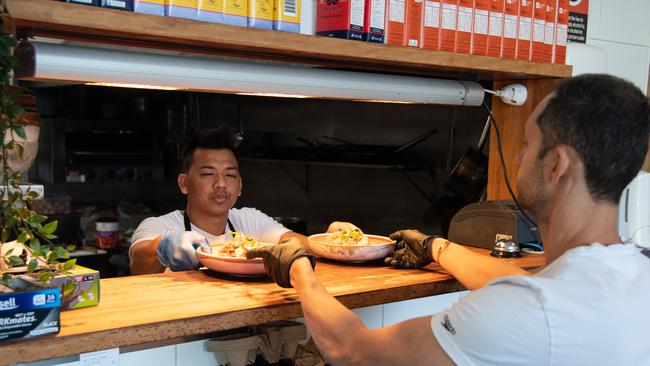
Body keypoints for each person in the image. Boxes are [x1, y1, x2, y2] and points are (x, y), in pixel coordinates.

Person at [247, 74, 650, 365]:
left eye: (527, 143)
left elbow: (354, 351)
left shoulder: (527, 313)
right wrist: (436, 247)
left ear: (557, 165)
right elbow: (535, 290)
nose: (519, 157)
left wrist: (300, 269)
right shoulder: (633, 277)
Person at [129, 127, 356, 274]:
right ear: (183, 183)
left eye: (229, 175)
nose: (220, 184)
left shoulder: (249, 220)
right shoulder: (159, 226)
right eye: (208, 174)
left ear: (240, 186)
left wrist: (331, 239)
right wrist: (162, 247)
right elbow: (138, 263)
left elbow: (297, 245)